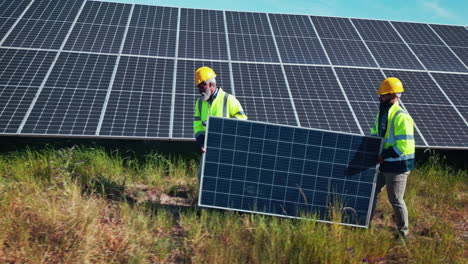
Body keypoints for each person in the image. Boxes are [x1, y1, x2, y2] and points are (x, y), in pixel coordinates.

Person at [370, 77, 415, 239]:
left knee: (395, 199)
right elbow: (375, 133)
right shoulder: (383, 113)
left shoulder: (401, 117)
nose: (380, 98)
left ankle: (403, 234)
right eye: (380, 95)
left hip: (398, 165)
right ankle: (365, 223)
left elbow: (403, 146)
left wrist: (385, 155)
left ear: (393, 96)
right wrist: (371, 147)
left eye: (383, 95)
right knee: (371, 192)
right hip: (383, 162)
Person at [193, 66, 247, 179]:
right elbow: (197, 126)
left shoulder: (229, 99)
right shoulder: (199, 103)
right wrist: (202, 143)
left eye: (202, 86)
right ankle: (203, 197)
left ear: (211, 85)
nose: (200, 90)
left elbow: (242, 119)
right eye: (198, 87)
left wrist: (224, 127)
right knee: (203, 178)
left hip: (228, 149)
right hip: (209, 149)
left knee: (225, 180)